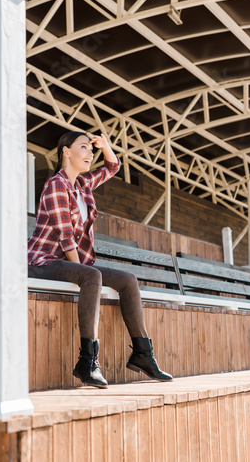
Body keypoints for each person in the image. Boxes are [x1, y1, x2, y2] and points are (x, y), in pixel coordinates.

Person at [28, 131, 173, 388]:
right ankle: (88, 362)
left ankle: (143, 354)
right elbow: (65, 238)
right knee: (91, 275)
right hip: (42, 261)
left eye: (90, 149)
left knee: (128, 280)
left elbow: (113, 166)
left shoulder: (82, 184)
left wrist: (105, 145)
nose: (89, 153)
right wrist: (84, 271)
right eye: (83, 148)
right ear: (66, 152)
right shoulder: (55, 185)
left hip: (70, 264)